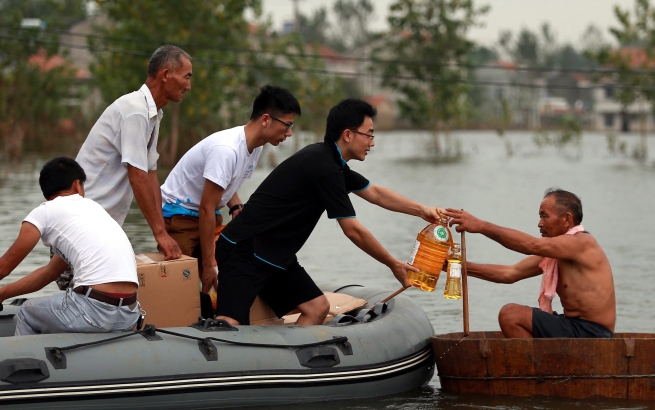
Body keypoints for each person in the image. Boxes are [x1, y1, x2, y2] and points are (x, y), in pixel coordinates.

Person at [214, 99, 440, 326]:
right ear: (348, 135)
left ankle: (291, 360)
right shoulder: (323, 167)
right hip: (243, 249)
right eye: (369, 135)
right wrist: (393, 263)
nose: (372, 143)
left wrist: (423, 210)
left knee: (317, 308)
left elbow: (375, 193)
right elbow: (353, 231)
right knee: (229, 323)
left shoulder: (331, 162)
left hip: (273, 255)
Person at [160, 85, 300, 294]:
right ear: (265, 120)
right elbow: (206, 208)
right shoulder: (227, 150)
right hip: (180, 215)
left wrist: (236, 207)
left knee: (234, 266)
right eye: (287, 125)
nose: (289, 133)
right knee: (179, 287)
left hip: (208, 215)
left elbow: (225, 184)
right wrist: (208, 265)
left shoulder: (255, 146)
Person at [76, 44, 193, 264]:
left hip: (102, 225)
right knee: (94, 295)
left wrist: (162, 232)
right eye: (187, 77)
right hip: (84, 222)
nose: (189, 86)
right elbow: (137, 176)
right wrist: (159, 233)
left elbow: (150, 175)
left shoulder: (153, 114)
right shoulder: (135, 111)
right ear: (166, 75)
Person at [444, 189, 615, 339]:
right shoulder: (555, 252)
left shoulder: (581, 243)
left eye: (544, 216)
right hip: (573, 326)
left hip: (593, 333)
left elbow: (531, 245)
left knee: (511, 315)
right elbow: (510, 273)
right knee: (512, 315)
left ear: (567, 219)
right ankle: (542, 369)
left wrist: (481, 226)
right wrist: (454, 266)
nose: (539, 223)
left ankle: (538, 373)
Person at [0, 158, 140, 336]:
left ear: (45, 194)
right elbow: (50, 272)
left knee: (27, 312)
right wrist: (3, 293)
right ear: (77, 186)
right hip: (129, 313)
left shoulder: (44, 211)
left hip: (92, 310)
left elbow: (4, 267)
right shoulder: (95, 209)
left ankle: (21, 362)